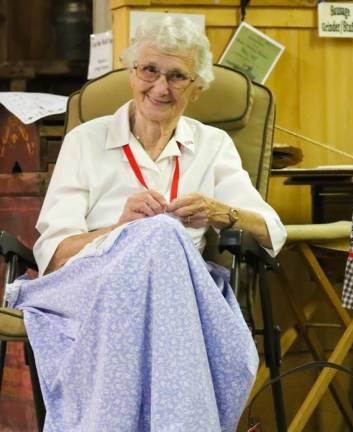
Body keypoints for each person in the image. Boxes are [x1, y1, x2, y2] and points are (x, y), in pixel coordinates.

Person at [6, 15, 286, 432]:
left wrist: (217, 211)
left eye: (177, 76)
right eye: (150, 70)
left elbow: (270, 230)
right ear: (131, 73)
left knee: (163, 234)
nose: (160, 87)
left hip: (177, 291)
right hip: (92, 283)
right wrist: (119, 231)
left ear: (197, 87)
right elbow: (55, 255)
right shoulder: (86, 140)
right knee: (155, 233)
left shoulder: (212, 146)